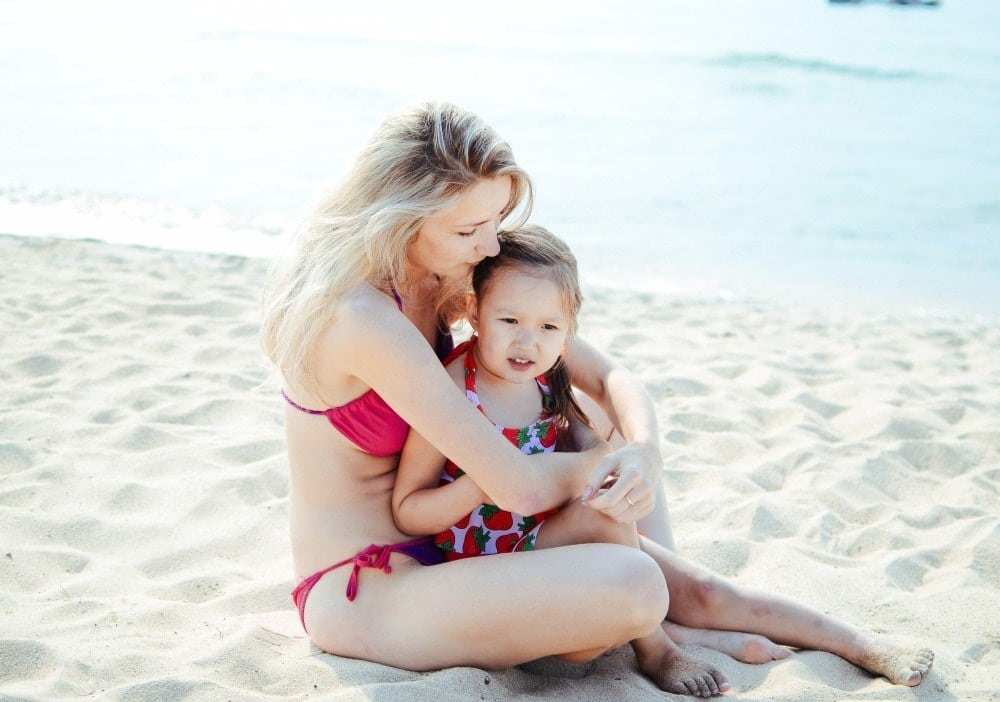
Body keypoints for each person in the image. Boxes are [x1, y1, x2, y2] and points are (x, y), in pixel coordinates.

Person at [259, 101, 933, 698]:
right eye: (469, 230)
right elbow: (519, 488)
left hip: (465, 551)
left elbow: (613, 379)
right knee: (634, 577)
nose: (489, 245)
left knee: (603, 425)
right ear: (400, 217)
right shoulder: (360, 316)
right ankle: (662, 623)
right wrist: (602, 467)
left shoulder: (443, 274)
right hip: (371, 588)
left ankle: (685, 617)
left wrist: (641, 454)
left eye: (495, 221)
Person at [393, 224, 772, 694]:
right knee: (612, 526)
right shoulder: (452, 390)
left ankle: (663, 624)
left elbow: (604, 405)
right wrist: (477, 486)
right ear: (475, 311)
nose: (527, 344)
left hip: (545, 535)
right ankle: (657, 648)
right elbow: (407, 510)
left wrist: (628, 456)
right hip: (487, 559)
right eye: (509, 321)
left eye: (548, 327)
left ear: (567, 332)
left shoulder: (549, 376)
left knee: (608, 510)